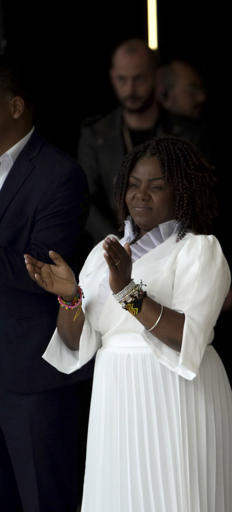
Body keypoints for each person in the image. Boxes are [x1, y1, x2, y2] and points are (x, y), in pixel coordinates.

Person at [26, 137, 232, 511]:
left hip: (175, 393)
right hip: (116, 392)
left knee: (176, 496)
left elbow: (185, 336)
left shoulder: (199, 249)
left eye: (156, 186)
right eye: (133, 184)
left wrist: (127, 290)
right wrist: (69, 297)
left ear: (182, 191)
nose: (140, 195)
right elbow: (75, 341)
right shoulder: (105, 250)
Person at [0, 55, 88, 512]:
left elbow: (42, 270)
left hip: (29, 373)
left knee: (43, 500)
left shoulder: (59, 174)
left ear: (15, 107)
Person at [79, 39, 208, 243]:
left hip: (172, 246)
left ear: (157, 77)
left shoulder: (185, 133)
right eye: (122, 79)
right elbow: (85, 200)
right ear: (112, 77)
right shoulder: (96, 134)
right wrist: (118, 242)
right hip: (113, 247)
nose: (130, 89)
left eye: (139, 79)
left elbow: (197, 198)